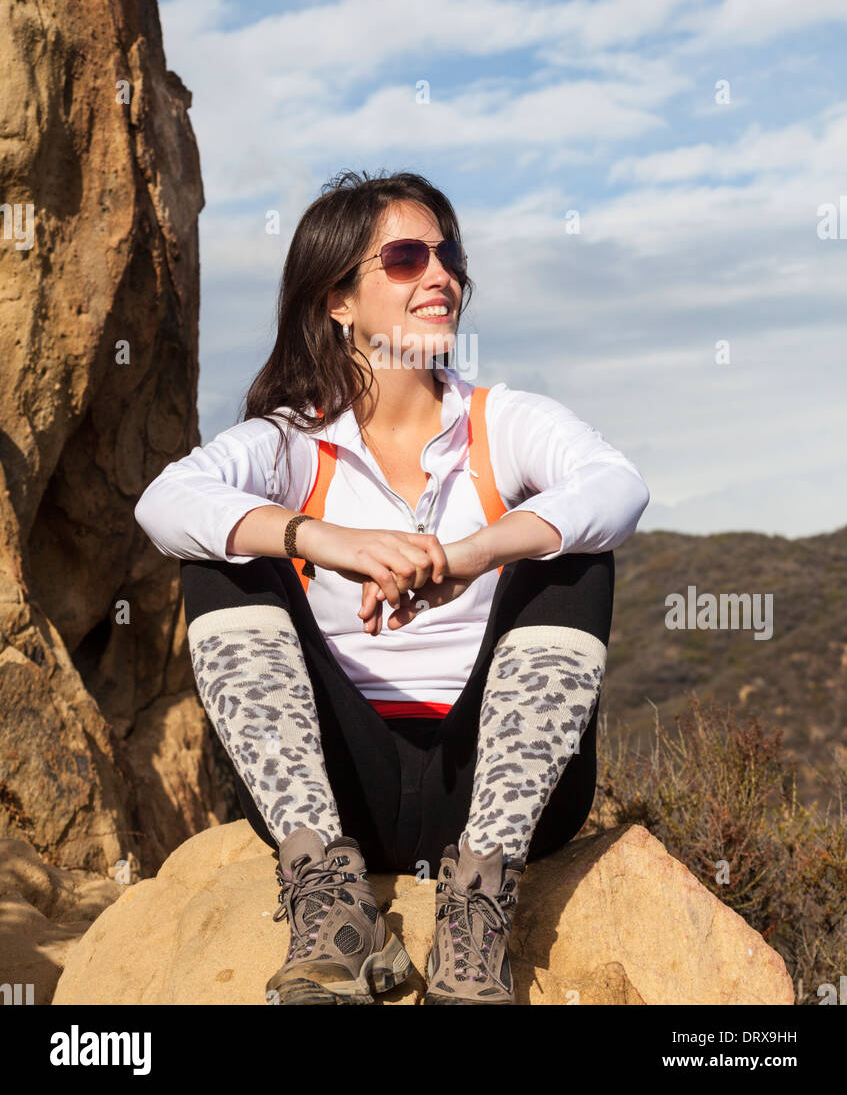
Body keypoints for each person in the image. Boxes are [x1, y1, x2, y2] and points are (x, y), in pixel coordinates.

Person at [134, 169, 649, 1006]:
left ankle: (476, 915)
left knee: (572, 549)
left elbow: (617, 486)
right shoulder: (291, 442)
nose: (441, 275)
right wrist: (324, 541)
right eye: (406, 258)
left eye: (447, 256)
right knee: (223, 551)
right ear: (337, 299)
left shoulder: (501, 421)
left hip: (496, 791)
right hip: (339, 791)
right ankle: (332, 909)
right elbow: (165, 503)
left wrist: (470, 555)